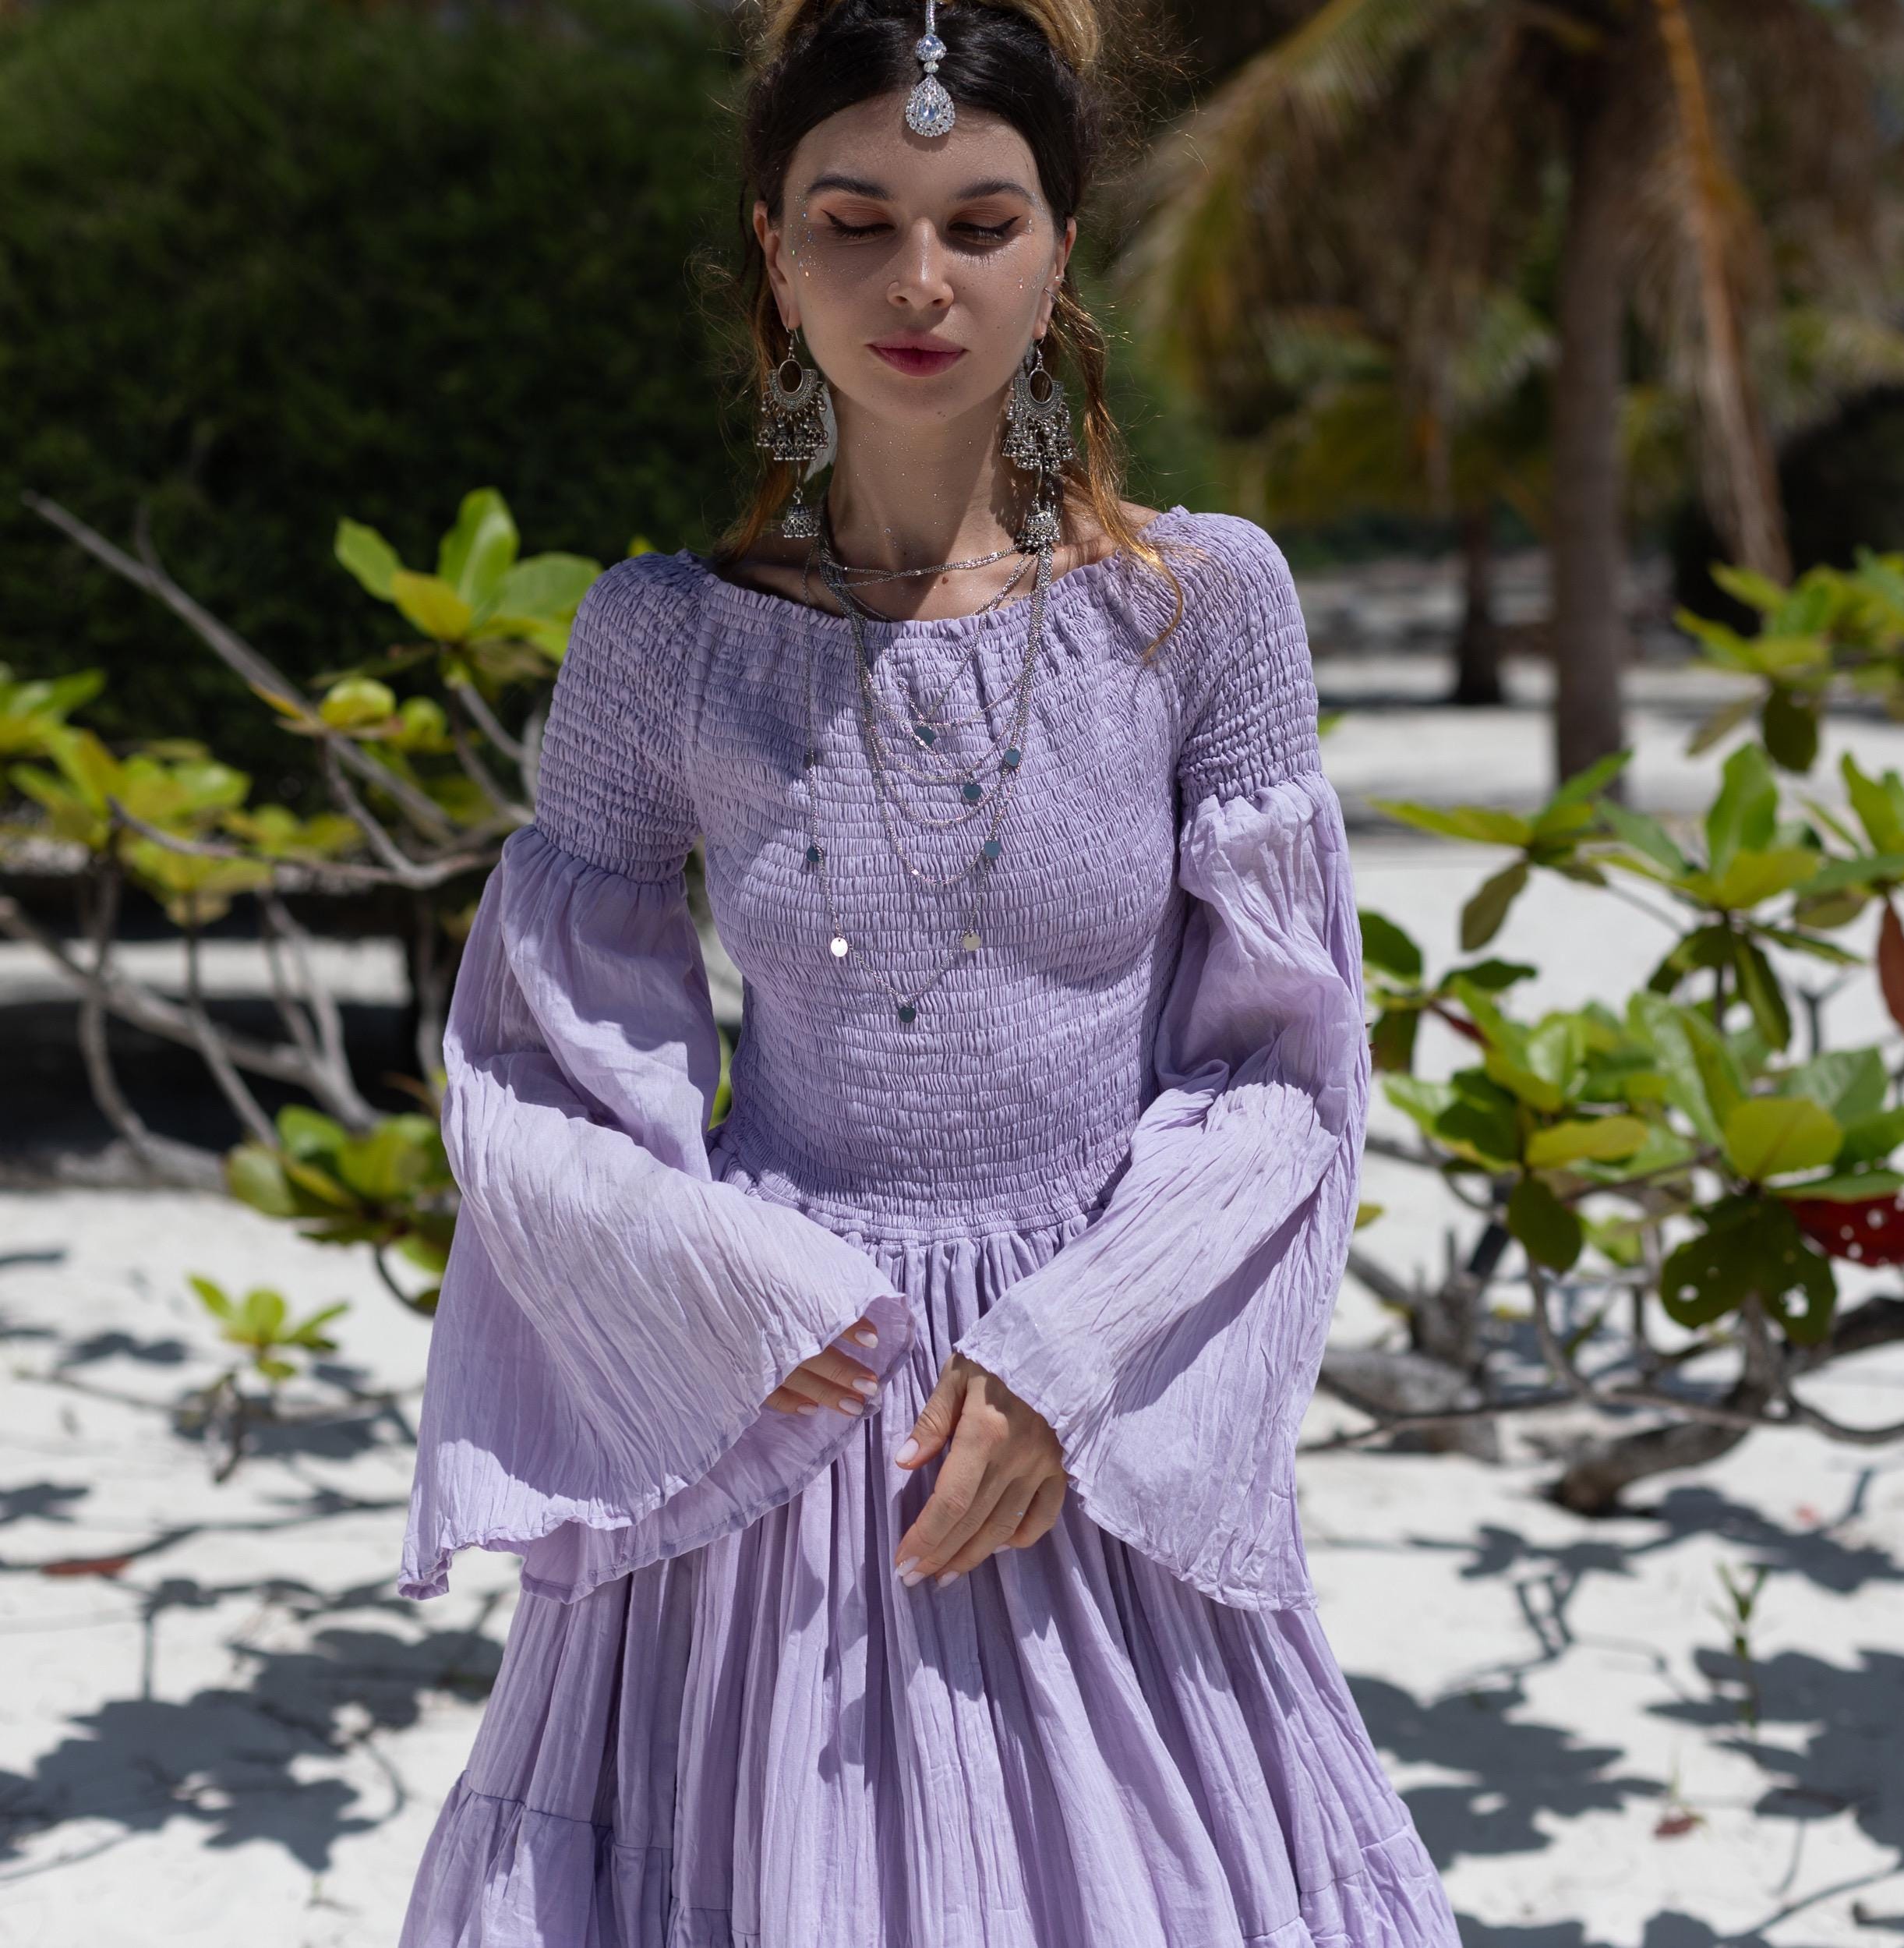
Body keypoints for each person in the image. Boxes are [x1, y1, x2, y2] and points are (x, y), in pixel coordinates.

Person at [394, 2, 1464, 1943]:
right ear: (771, 249)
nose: (918, 279)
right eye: (854, 220)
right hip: (789, 1389)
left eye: (979, 221)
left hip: (1086, 1399)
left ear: (1060, 251)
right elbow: (541, 1076)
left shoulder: (1199, 607)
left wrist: (1066, 1357)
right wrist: (722, 1294)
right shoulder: (659, 642)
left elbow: (1280, 1068)